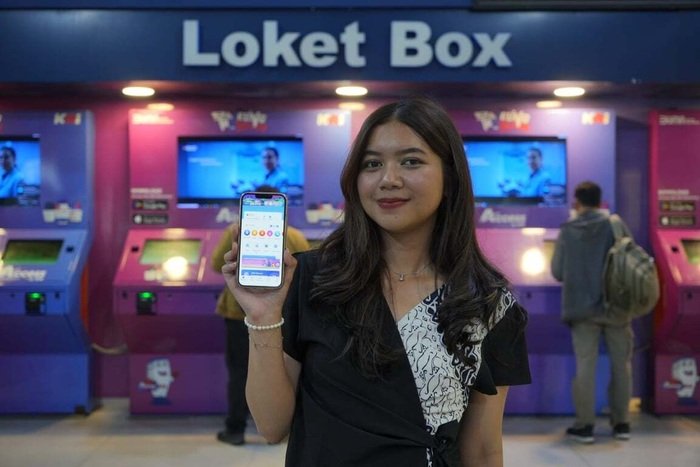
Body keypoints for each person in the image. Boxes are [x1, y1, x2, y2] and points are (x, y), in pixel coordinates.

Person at [220, 97, 531, 466]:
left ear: (450, 178)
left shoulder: (487, 302)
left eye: (411, 161)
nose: (388, 179)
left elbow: (482, 449)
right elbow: (272, 427)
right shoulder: (313, 279)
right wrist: (263, 316)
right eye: (372, 164)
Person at [211, 185, 310, 446]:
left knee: (239, 371)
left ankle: (236, 429)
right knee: (281, 371)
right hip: (284, 314)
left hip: (237, 313)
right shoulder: (296, 236)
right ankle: (278, 425)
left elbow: (216, 264)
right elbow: (303, 270)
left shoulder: (233, 232)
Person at [550, 181, 633, 444]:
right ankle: (621, 424)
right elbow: (630, 260)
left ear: (577, 202)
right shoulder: (614, 225)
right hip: (616, 307)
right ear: (600, 201)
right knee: (621, 366)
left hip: (582, 310)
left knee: (585, 367)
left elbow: (557, 271)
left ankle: (585, 426)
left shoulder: (568, 230)